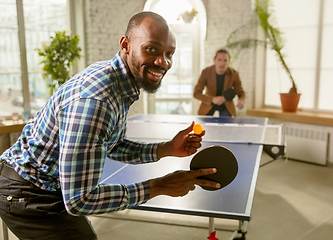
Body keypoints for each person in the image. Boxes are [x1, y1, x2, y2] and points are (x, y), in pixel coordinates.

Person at [0, 12, 219, 240]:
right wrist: (159, 186)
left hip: (47, 186)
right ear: (126, 44)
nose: (162, 62)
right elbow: (79, 200)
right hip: (27, 192)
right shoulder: (97, 101)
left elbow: (113, 145)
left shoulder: (118, 82)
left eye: (169, 54)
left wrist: (166, 149)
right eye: (151, 49)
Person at [194, 49, 245, 117]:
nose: (222, 63)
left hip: (226, 105)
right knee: (204, 125)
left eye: (225, 60)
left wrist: (241, 101)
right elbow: (196, 93)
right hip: (209, 103)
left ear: (229, 61)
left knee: (227, 126)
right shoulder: (206, 72)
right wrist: (212, 99)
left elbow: (240, 92)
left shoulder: (234, 74)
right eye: (219, 60)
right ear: (214, 60)